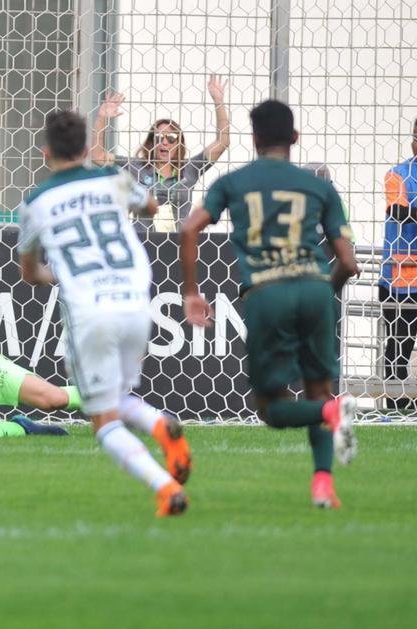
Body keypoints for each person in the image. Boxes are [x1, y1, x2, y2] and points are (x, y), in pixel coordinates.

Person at [179, 99, 361, 509]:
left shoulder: (233, 182)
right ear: (294, 138)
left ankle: (331, 421)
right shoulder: (321, 186)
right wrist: (323, 291)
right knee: (320, 392)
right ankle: (323, 484)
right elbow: (348, 262)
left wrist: (192, 292)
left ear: (254, 138)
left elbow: (189, 228)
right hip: (315, 287)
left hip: (266, 291)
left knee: (272, 409)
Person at [19, 110, 192, 518]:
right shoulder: (114, 179)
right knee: (118, 397)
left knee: (103, 420)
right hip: (136, 301)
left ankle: (165, 486)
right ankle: (159, 424)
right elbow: (151, 206)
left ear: (46, 153)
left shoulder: (36, 201)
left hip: (91, 311)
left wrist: (53, 272)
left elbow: (30, 273)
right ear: (84, 150)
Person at [90, 76, 230, 233]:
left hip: (177, 244)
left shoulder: (190, 168)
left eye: (171, 138)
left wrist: (218, 101)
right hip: (143, 242)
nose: (164, 142)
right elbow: (97, 156)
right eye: (158, 138)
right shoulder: (137, 166)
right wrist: (101, 117)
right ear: (151, 142)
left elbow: (222, 143)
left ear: (179, 144)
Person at [380, 117, 417, 407]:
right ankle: (397, 404)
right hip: (401, 280)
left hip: (404, 280)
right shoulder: (398, 174)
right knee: (399, 346)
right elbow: (398, 212)